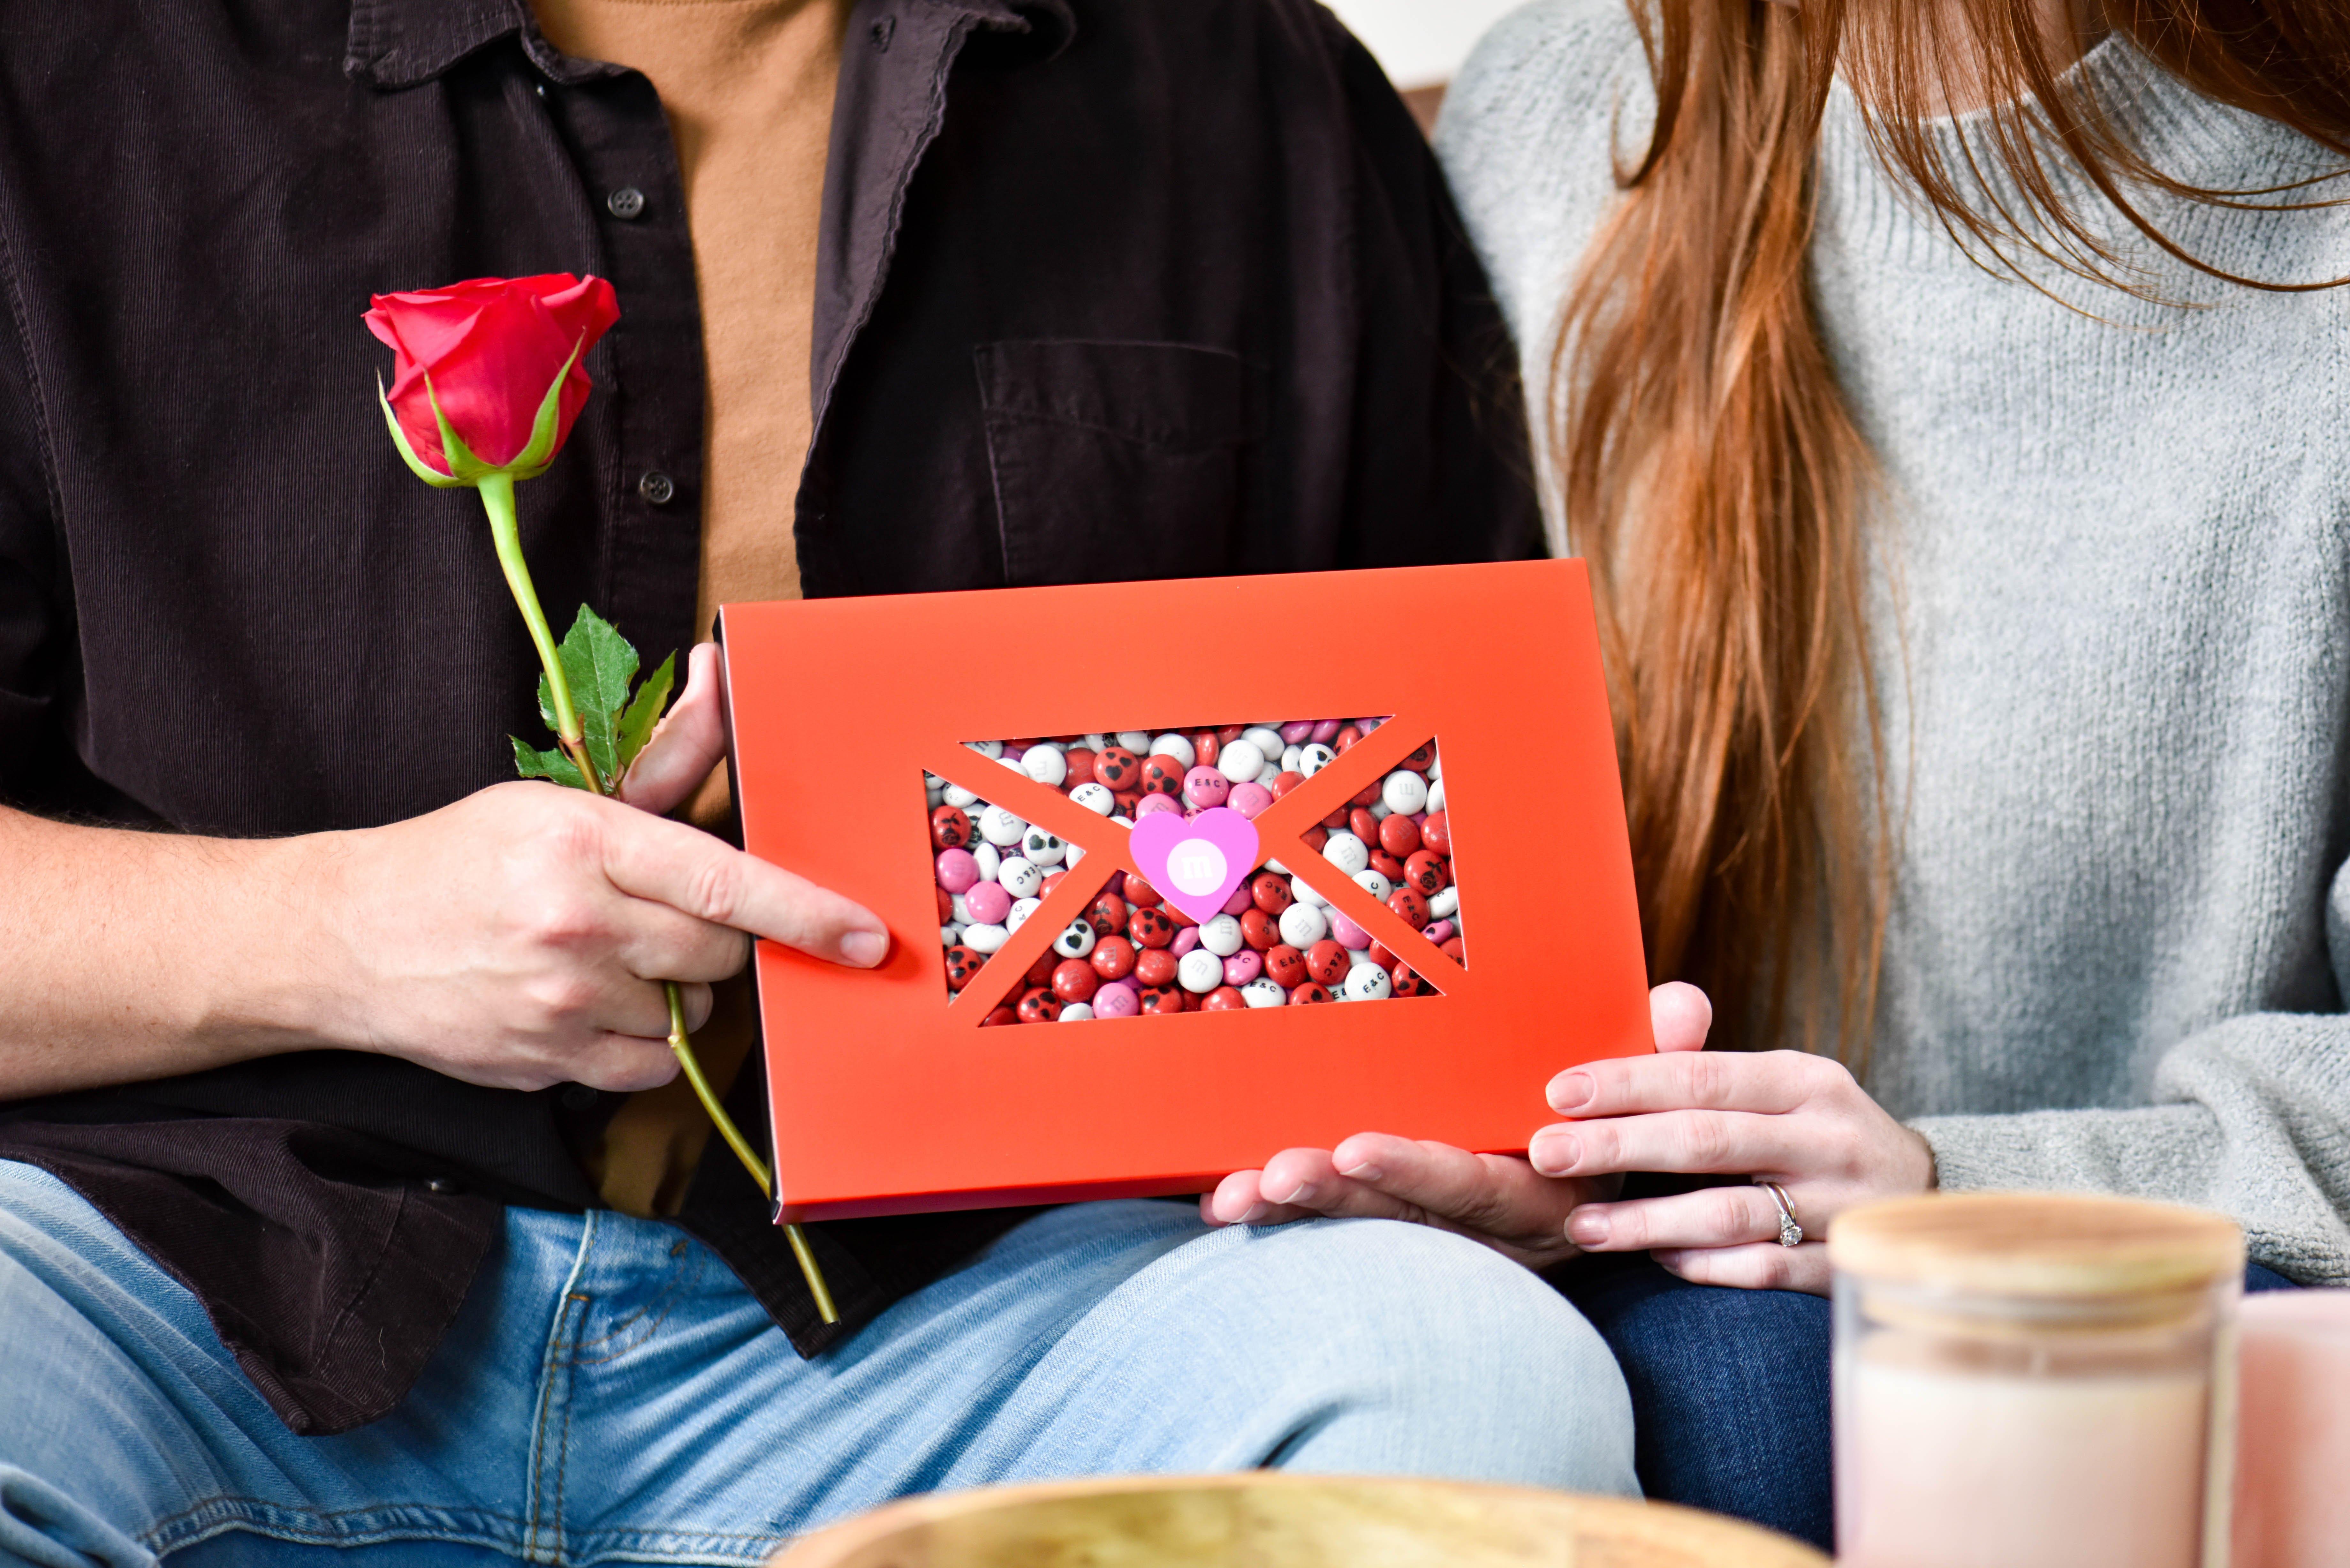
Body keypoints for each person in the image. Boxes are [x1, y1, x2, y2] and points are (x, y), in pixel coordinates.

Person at [0, 2, 1641, 1562]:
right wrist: (334, 932)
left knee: (1466, 1369)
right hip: (175, 1273)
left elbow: (1455, 813)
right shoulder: (60, 69)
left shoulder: (1249, 86)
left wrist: (1489, 1139)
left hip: (987, 1320)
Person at [1209, 0, 2350, 1550]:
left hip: (2162, 1247)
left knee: (1779, 1399)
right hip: (1634, 1279)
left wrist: (1950, 1189)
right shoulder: (1558, 110)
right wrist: (1521, 1146)